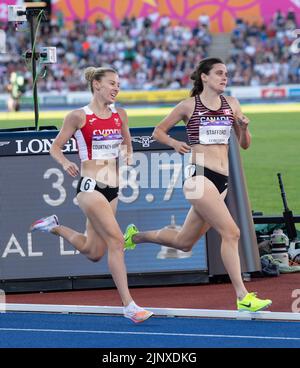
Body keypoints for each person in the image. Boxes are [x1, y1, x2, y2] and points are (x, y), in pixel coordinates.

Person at [124, 57, 272, 312]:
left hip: (222, 181)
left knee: (184, 242)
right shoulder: (188, 106)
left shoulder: (232, 104)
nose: (225, 77)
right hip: (199, 178)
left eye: (226, 73)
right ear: (204, 77)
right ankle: (242, 296)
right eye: (219, 73)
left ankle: (135, 236)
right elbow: (158, 131)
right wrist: (174, 144)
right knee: (232, 232)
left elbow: (244, 144)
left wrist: (244, 128)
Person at [30, 66, 153, 323]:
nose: (116, 88)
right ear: (96, 85)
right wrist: (65, 163)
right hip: (89, 187)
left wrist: (128, 157)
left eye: (118, 84)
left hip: (113, 189)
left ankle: (53, 227)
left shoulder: (121, 114)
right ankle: (129, 305)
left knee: (94, 251)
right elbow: (55, 147)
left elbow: (127, 142)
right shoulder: (78, 116)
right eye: (111, 83)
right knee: (117, 241)